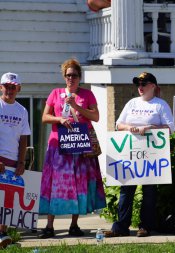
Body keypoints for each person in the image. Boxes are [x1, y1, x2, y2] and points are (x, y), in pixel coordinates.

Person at [39, 59, 106, 238]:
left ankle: (74, 225)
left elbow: (96, 116)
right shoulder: (55, 93)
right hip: (58, 146)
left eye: (74, 75)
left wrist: (76, 106)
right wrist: (59, 119)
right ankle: (49, 225)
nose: (71, 78)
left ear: (79, 77)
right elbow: (45, 117)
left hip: (80, 145)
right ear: (64, 76)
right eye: (68, 75)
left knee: (79, 184)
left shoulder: (87, 94)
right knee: (55, 184)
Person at [104, 72, 174, 238]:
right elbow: (118, 124)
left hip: (151, 155)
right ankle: (120, 226)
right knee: (126, 190)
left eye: (144, 84)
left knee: (149, 192)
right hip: (130, 154)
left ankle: (145, 227)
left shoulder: (160, 105)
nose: (140, 87)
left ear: (153, 86)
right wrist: (129, 128)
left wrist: (150, 128)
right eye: (138, 84)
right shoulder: (131, 103)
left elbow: (170, 128)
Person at [0, 72, 31, 249]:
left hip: (12, 162)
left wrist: (21, 162)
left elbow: (24, 139)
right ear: (0, 87)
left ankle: (3, 235)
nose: (10, 90)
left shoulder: (22, 110)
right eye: (7, 86)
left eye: (13, 87)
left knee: (7, 202)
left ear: (18, 88)